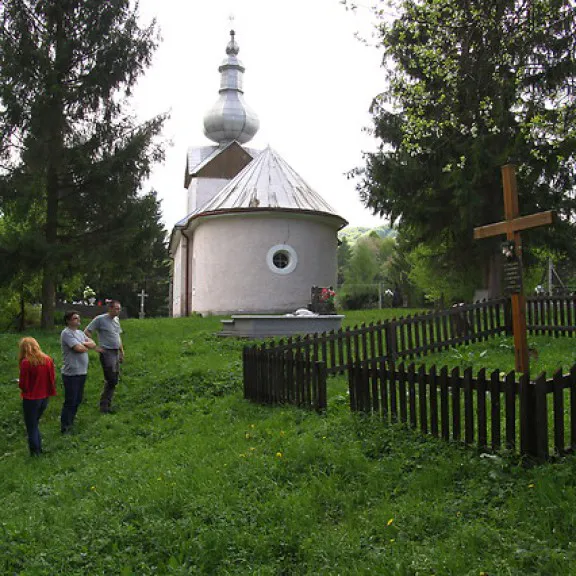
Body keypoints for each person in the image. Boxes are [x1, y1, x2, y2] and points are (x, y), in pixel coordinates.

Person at [60, 310, 99, 433]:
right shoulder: (66, 333)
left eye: (78, 318)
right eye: (75, 318)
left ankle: (71, 421)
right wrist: (86, 345)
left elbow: (93, 343)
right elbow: (79, 349)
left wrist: (85, 344)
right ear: (68, 321)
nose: (78, 320)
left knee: (78, 399)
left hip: (82, 371)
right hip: (71, 372)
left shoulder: (80, 333)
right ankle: (65, 426)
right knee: (70, 399)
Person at [18, 337, 56, 456]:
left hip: (31, 398)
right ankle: (38, 448)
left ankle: (35, 452)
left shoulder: (26, 362)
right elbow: (52, 379)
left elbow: (23, 384)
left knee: (31, 425)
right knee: (34, 423)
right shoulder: (48, 360)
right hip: (44, 397)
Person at [84, 300, 124, 413]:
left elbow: (118, 336)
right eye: (116, 308)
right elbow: (87, 332)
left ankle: (108, 404)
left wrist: (121, 351)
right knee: (111, 379)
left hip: (116, 351)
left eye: (119, 309)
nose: (118, 311)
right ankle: (104, 406)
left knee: (115, 379)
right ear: (110, 308)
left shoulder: (116, 320)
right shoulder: (100, 319)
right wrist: (95, 347)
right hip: (107, 352)